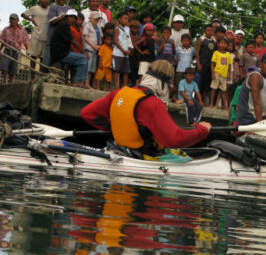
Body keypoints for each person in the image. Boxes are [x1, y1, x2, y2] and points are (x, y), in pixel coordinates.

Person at [80, 60, 211, 154]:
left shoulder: (118, 93)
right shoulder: (154, 104)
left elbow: (87, 113)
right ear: (164, 85)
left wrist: (115, 127)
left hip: (119, 150)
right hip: (141, 157)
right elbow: (174, 139)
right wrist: (202, 130)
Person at [237, 52, 266, 125]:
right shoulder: (256, 77)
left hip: (259, 117)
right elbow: (257, 103)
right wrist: (260, 126)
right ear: (261, 64)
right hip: (247, 118)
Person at [49, 9, 89, 87]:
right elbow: (72, 40)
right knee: (83, 59)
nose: (72, 19)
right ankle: (77, 82)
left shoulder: (65, 26)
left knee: (80, 59)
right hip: (60, 54)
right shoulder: (64, 25)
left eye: (74, 18)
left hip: (62, 53)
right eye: (71, 17)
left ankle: (76, 81)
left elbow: (68, 42)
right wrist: (83, 52)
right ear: (67, 17)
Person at [21, 0, 50, 76]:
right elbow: (23, 14)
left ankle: (39, 75)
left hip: (46, 36)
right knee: (33, 56)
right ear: (39, 0)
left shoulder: (50, 9)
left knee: (42, 58)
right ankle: (32, 75)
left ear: (48, 0)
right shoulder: (35, 8)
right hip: (36, 35)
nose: (44, 1)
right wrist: (31, 20)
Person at [43, 0, 71, 69]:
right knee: (47, 62)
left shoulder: (69, 8)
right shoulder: (53, 7)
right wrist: (62, 17)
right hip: (52, 40)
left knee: (61, 64)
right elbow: (52, 21)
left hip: (63, 42)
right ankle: (41, 77)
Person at [0, 13, 30, 84]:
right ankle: (4, 81)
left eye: (14, 19)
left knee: (14, 67)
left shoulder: (22, 30)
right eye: (11, 19)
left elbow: (25, 41)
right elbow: (3, 41)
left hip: (16, 51)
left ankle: (11, 81)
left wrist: (27, 50)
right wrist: (0, 50)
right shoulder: (6, 29)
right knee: (5, 66)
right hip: (7, 49)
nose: (12, 21)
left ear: (17, 20)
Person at [195, 24, 216, 105]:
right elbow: (197, 52)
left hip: (210, 66)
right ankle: (197, 100)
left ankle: (202, 101)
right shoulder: (201, 39)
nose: (210, 32)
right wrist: (198, 64)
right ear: (204, 31)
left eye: (211, 30)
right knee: (200, 83)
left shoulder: (214, 41)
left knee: (207, 85)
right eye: (208, 30)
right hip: (202, 64)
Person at [210, 37, 232, 110]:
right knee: (214, 89)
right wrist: (213, 73)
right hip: (217, 73)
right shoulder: (216, 53)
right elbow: (212, 64)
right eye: (221, 43)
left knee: (223, 90)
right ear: (218, 44)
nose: (223, 45)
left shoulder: (228, 54)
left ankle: (225, 106)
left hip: (224, 75)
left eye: (225, 43)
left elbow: (229, 65)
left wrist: (229, 74)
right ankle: (211, 104)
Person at [112, 11, 133, 89]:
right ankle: (116, 87)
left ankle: (124, 87)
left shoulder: (127, 29)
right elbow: (116, 41)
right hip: (118, 52)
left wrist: (129, 49)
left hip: (126, 53)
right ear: (119, 19)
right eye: (125, 18)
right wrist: (123, 50)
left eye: (127, 18)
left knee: (126, 71)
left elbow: (129, 40)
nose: (126, 20)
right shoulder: (117, 29)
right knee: (116, 70)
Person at [82, 11, 103, 88]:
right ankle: (85, 83)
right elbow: (86, 37)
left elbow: (100, 37)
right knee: (87, 66)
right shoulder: (87, 25)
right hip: (89, 48)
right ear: (90, 18)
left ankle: (88, 83)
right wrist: (93, 46)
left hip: (95, 50)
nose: (96, 20)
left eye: (97, 19)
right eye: (95, 19)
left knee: (92, 68)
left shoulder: (98, 26)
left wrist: (99, 45)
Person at [129, 20, 141, 85]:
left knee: (134, 74)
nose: (135, 30)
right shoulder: (128, 36)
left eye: (137, 28)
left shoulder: (139, 38)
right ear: (131, 28)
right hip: (128, 56)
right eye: (134, 28)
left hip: (135, 58)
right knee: (126, 73)